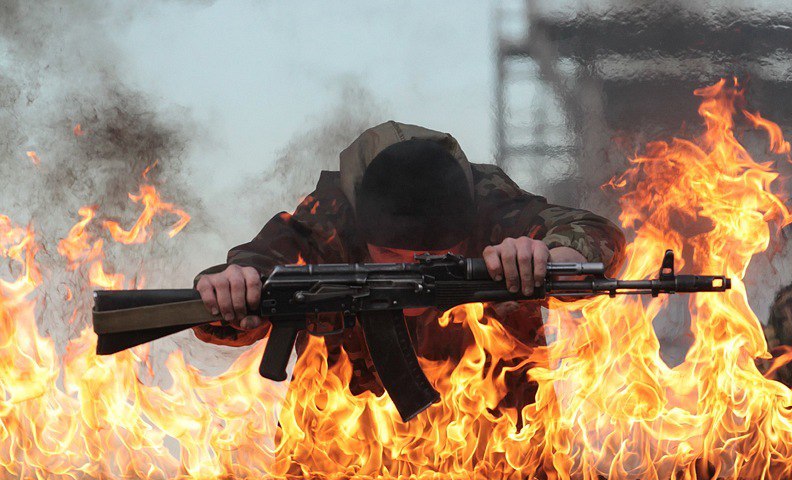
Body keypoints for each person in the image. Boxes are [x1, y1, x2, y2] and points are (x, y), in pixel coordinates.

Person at [192, 121, 626, 408]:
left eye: (433, 259)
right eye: (390, 256)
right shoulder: (330, 221)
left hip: (501, 458)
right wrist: (232, 288)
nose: (411, 274)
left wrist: (550, 259)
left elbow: (594, 234)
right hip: (340, 465)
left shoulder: (491, 205)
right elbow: (254, 265)